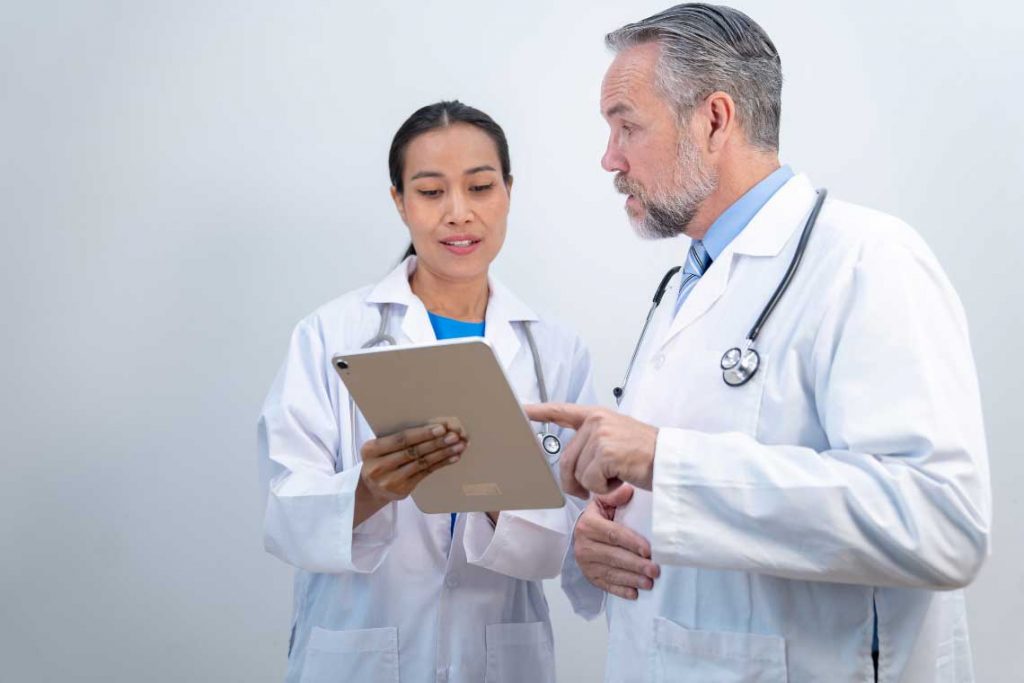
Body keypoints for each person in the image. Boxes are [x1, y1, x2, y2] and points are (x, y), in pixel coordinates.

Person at [527, 4, 991, 682]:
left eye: (626, 125)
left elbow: (942, 522)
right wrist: (600, 538)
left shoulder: (868, 260)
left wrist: (665, 459)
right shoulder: (682, 286)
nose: (609, 158)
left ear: (714, 119)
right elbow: (686, 502)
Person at [259, 100, 593, 683]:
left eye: (480, 187)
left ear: (508, 192)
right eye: (431, 192)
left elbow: (573, 544)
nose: (458, 214)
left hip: (499, 660)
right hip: (361, 656)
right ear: (399, 202)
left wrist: (496, 490)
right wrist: (367, 491)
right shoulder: (329, 335)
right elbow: (285, 509)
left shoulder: (557, 353)